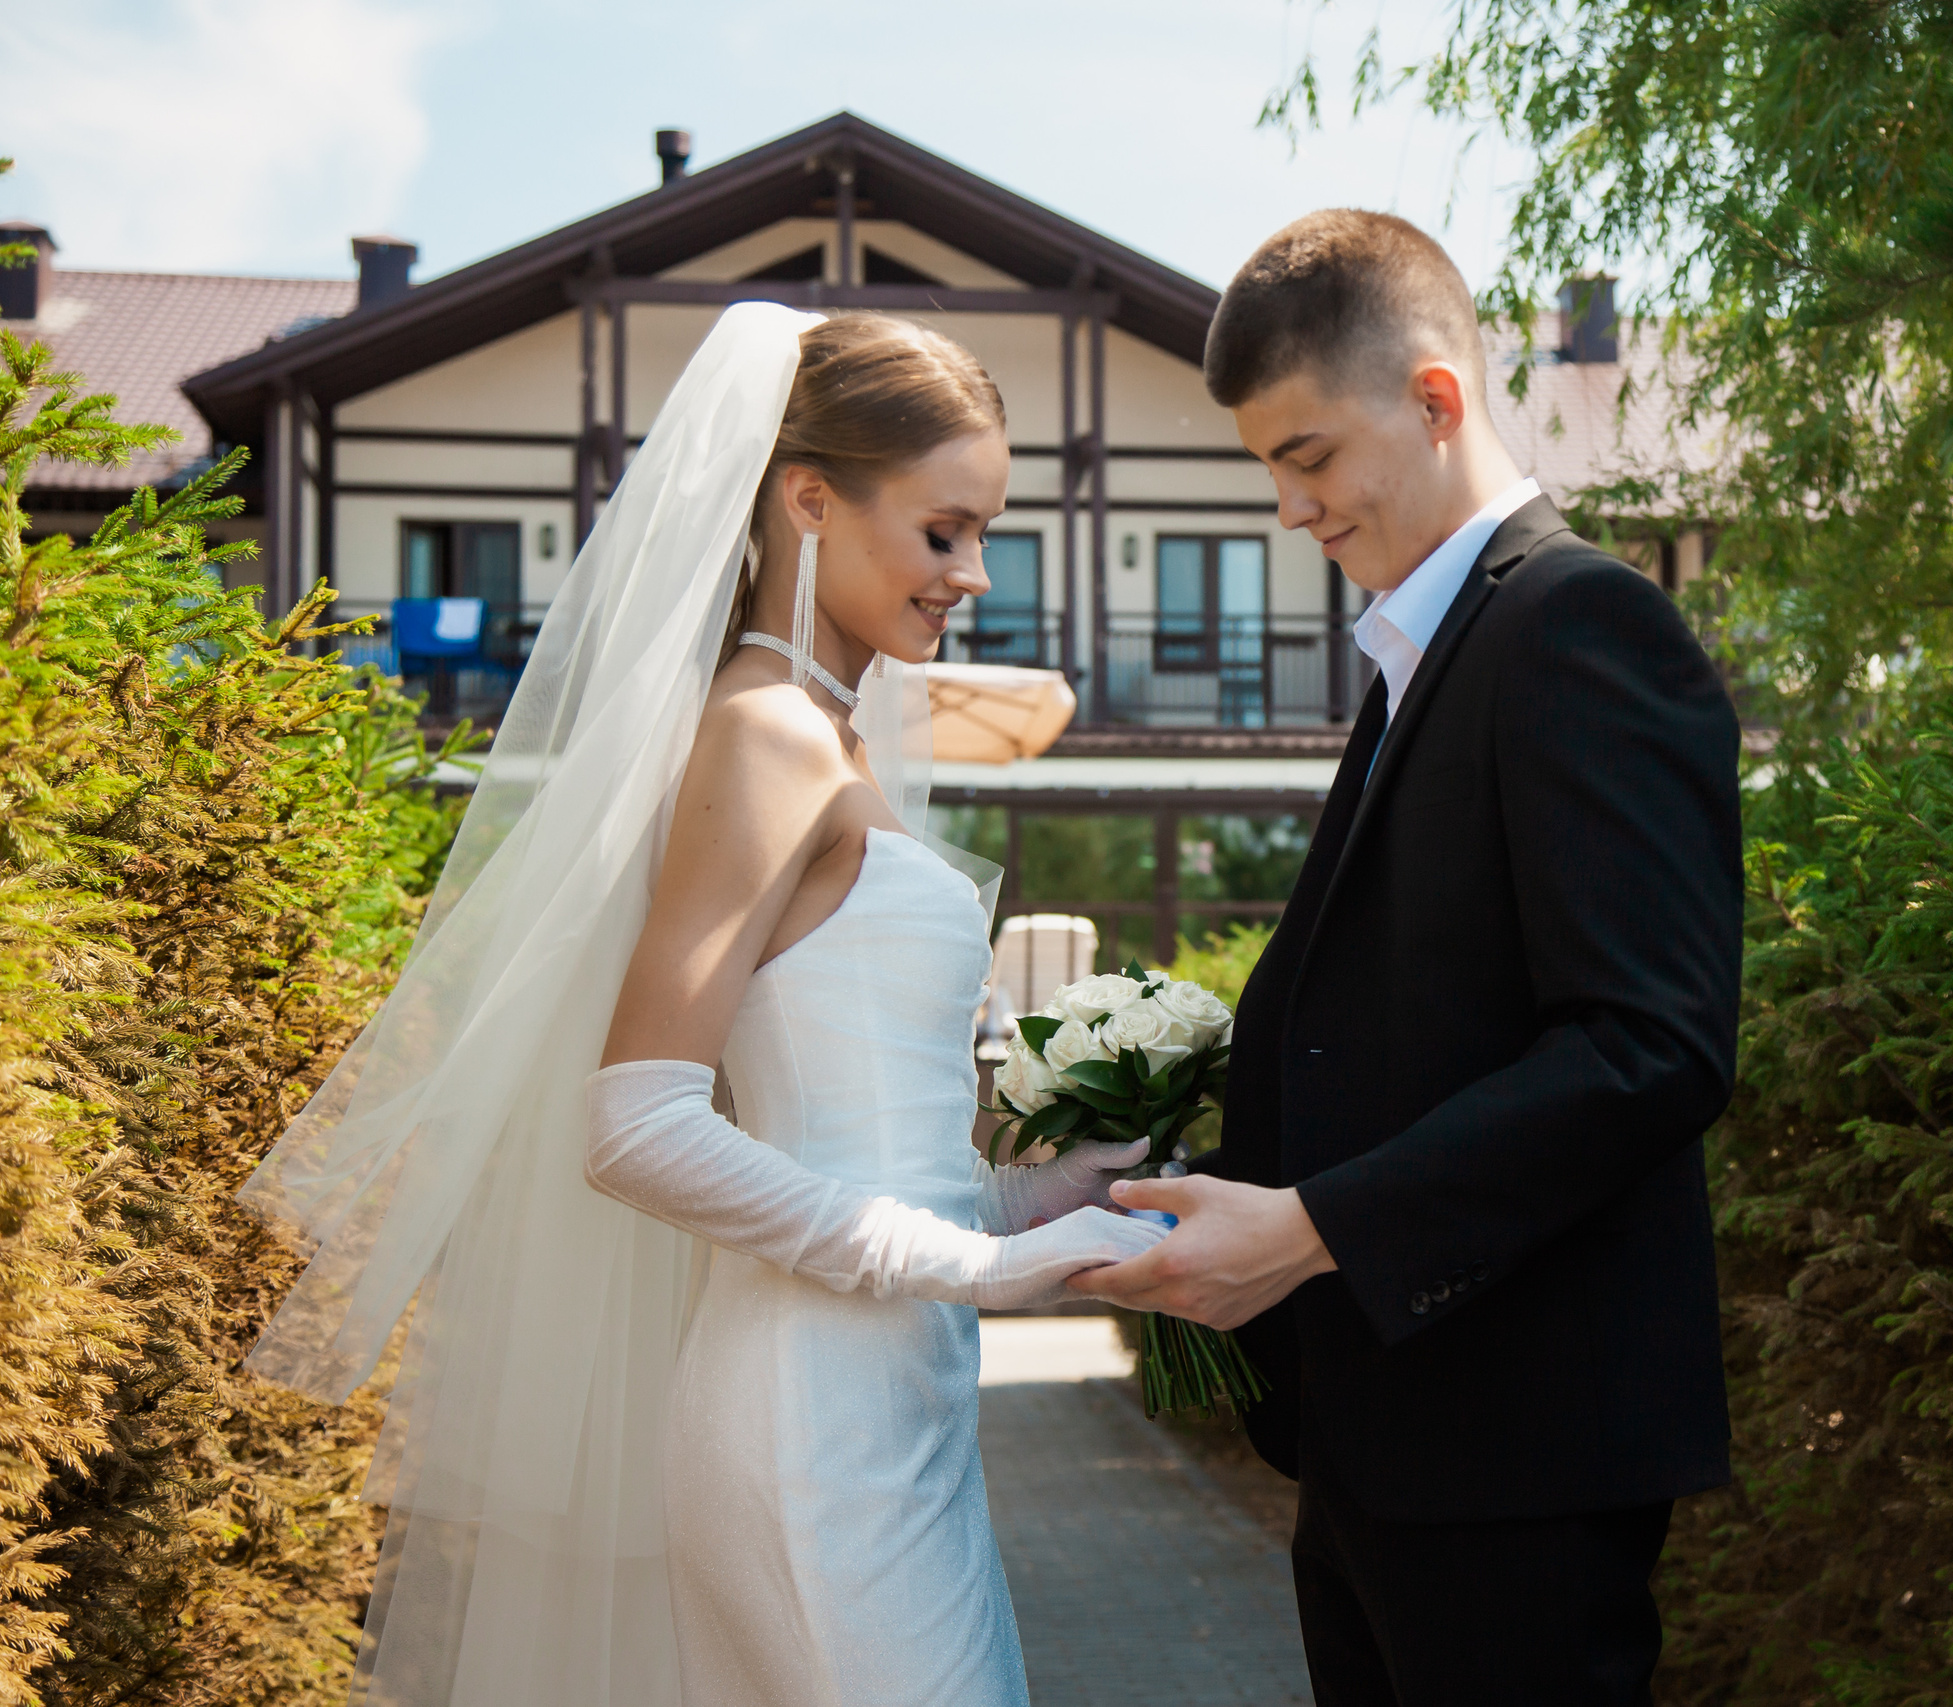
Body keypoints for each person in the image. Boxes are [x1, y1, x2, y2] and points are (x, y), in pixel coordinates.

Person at [238, 304, 1161, 1706]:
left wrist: (1028, 1206)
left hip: (897, 1406)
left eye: (983, 535)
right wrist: (974, 1268)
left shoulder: (827, 731)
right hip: (809, 1427)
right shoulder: (766, 734)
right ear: (809, 500)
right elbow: (636, 1127)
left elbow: (852, 1139)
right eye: (943, 531)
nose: (972, 574)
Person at [1073, 211, 1743, 1706]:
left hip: (1515, 1454)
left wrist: (1309, 1231)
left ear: (1436, 400)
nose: (1289, 508)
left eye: (1309, 457)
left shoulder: (1580, 625)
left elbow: (1652, 1046)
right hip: (1383, 1437)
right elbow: (1387, 1030)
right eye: (1269, 469)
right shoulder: (1418, 652)